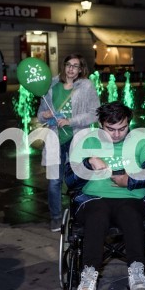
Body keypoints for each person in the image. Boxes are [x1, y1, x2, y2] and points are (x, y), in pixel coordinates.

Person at [64, 102, 145, 290]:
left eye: (122, 128)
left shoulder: (141, 141)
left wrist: (129, 181)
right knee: (97, 215)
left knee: (130, 213)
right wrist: (87, 163)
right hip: (93, 199)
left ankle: (137, 270)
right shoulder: (87, 142)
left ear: (129, 123)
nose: (116, 134)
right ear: (100, 124)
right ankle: (88, 277)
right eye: (110, 129)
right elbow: (69, 180)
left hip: (130, 198)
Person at [37, 54, 100, 232]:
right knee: (54, 182)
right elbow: (40, 113)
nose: (71, 69)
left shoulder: (86, 86)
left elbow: (94, 113)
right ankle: (56, 217)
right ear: (64, 66)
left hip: (76, 138)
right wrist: (45, 115)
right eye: (68, 65)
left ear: (81, 69)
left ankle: (80, 214)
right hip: (54, 139)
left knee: (78, 179)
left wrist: (70, 120)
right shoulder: (51, 85)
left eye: (76, 66)